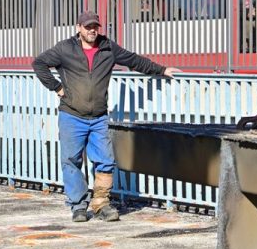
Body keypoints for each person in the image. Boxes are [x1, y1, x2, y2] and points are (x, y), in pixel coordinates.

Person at [32, 11, 179, 223]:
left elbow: (134, 60)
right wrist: (56, 87)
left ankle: (101, 203)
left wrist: (161, 70)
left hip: (99, 117)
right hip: (71, 115)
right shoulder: (65, 49)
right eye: (87, 27)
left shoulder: (108, 48)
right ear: (78, 28)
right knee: (71, 161)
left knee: (105, 161)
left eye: (95, 27)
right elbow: (39, 63)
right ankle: (78, 206)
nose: (92, 30)